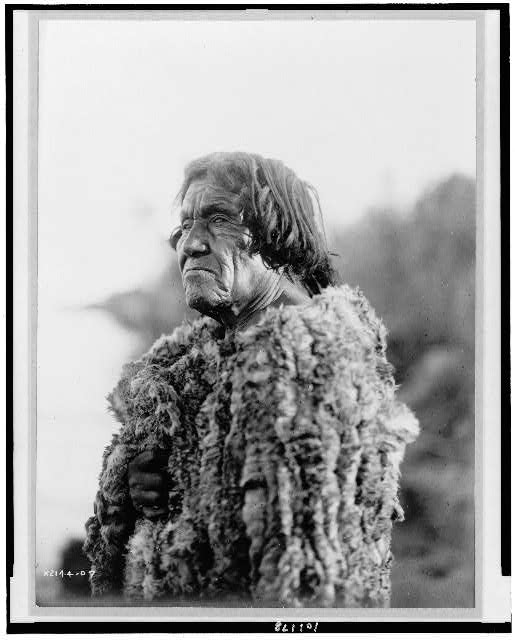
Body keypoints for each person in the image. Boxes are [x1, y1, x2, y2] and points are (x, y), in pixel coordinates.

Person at [84, 152, 418, 606]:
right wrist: (139, 483)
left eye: (218, 219)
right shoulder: (197, 359)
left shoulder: (313, 363)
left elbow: (309, 584)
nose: (190, 244)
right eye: (185, 226)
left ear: (276, 236)